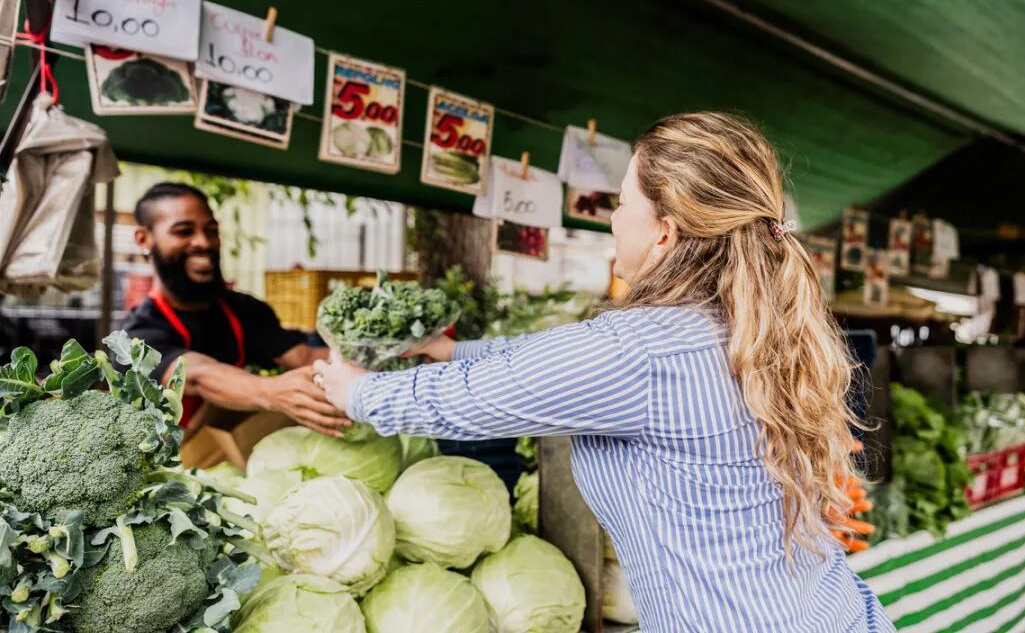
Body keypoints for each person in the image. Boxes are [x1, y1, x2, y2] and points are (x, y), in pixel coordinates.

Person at [315, 112, 894, 631]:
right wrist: (456, 353)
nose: (612, 220)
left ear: (664, 231)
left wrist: (358, 391)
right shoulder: (750, 329)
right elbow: (552, 360)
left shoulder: (645, 349)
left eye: (621, 203)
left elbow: (472, 401)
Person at [121, 182, 350, 436]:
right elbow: (197, 375)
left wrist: (380, 363)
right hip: (166, 466)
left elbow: (301, 357)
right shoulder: (137, 336)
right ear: (144, 238)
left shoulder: (244, 310)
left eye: (210, 230)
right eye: (184, 231)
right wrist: (270, 391)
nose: (203, 242)